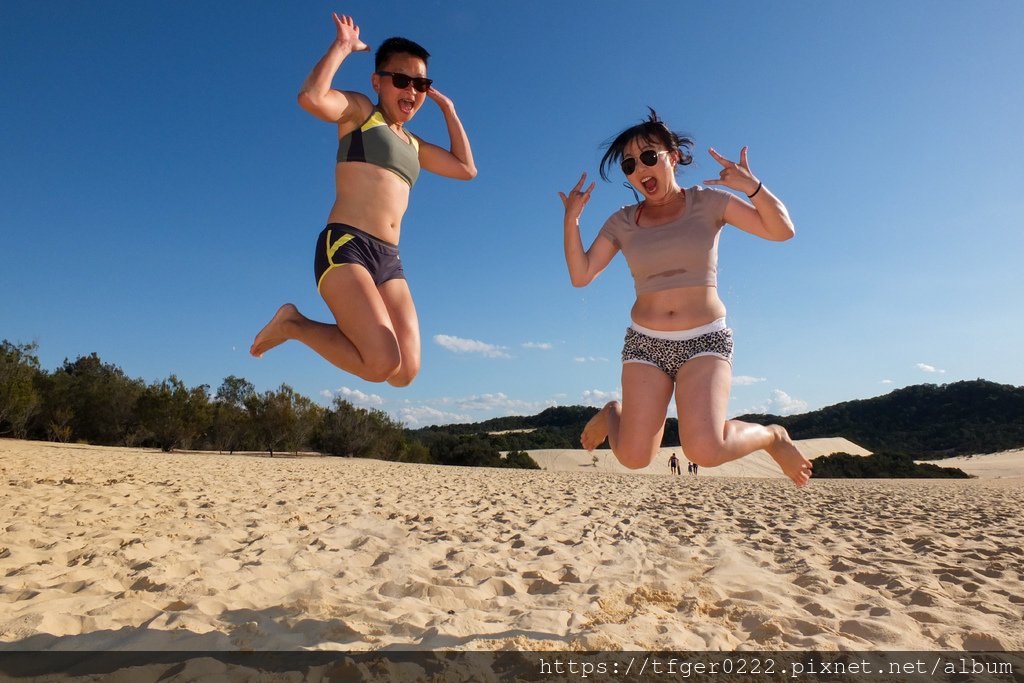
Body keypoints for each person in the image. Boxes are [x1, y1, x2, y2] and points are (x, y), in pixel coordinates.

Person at [559, 109, 812, 487]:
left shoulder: (708, 202)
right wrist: (571, 221)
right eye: (629, 164)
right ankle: (615, 412)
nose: (639, 168)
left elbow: (782, 231)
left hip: (705, 340)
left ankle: (773, 436)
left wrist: (752, 187)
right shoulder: (621, 222)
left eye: (649, 156)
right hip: (645, 344)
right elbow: (581, 275)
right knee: (632, 458)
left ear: (672, 158)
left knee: (705, 450)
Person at [251, 12, 476, 386]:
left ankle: (306, 326)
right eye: (402, 80)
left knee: (405, 372)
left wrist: (448, 109)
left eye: (420, 84)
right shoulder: (360, 113)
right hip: (346, 246)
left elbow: (466, 168)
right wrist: (342, 47)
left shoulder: (415, 145)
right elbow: (311, 97)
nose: (412, 91)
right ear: (378, 82)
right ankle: (294, 324)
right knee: (380, 362)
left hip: (389, 259)